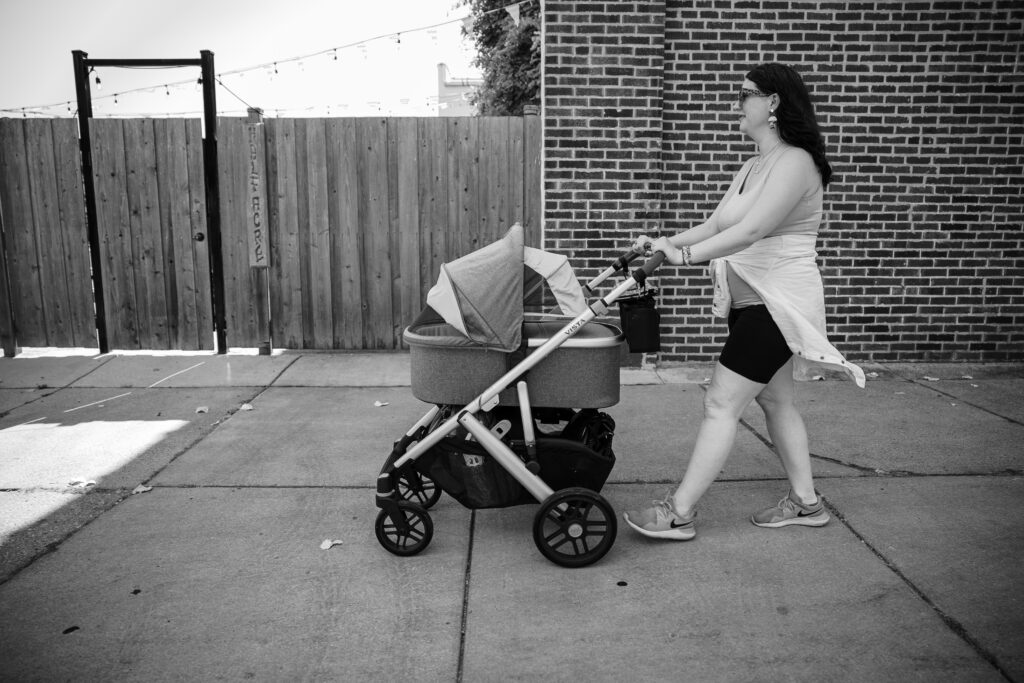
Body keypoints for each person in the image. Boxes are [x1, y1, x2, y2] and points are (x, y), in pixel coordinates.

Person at [623, 63, 865, 541]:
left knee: (719, 402)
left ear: (772, 102)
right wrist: (662, 245)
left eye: (743, 94)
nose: (736, 104)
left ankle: (678, 513)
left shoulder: (795, 161)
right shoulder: (753, 165)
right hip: (749, 304)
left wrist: (684, 257)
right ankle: (806, 503)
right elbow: (718, 227)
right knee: (777, 401)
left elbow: (753, 231)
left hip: (776, 305)